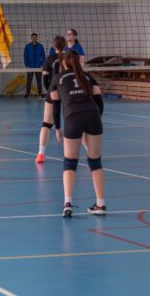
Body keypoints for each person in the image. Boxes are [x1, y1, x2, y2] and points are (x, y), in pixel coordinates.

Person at [49, 51, 105, 217]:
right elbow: (99, 102)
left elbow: (56, 106)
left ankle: (68, 204)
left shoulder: (58, 78)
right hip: (93, 115)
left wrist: (57, 128)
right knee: (95, 162)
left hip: (73, 117)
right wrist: (96, 120)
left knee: (70, 162)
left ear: (64, 63)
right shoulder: (88, 76)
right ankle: (101, 204)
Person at [35, 35, 66, 164]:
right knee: (76, 122)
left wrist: (50, 91)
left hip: (53, 90)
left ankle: (41, 154)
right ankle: (89, 151)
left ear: (54, 46)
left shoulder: (49, 59)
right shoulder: (69, 58)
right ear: (65, 45)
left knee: (47, 123)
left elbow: (44, 80)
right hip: (68, 91)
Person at [23, 33, 46, 98]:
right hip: (30, 66)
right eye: (33, 37)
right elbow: (25, 56)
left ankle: (40, 93)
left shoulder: (40, 46)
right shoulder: (27, 46)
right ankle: (27, 93)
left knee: (39, 81)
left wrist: (42, 64)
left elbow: (43, 56)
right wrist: (26, 64)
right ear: (31, 38)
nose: (34, 38)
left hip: (38, 66)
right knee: (29, 81)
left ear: (37, 38)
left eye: (35, 37)